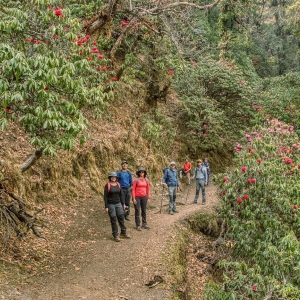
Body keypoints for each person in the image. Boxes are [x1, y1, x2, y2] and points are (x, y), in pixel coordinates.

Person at [103, 172, 131, 242]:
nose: (113, 178)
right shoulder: (107, 185)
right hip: (111, 204)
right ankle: (115, 235)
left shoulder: (118, 184)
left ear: (116, 178)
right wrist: (106, 206)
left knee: (121, 218)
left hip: (118, 204)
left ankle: (123, 233)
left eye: (114, 177)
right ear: (110, 178)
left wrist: (123, 204)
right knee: (113, 219)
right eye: (112, 177)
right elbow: (105, 197)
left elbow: (121, 195)